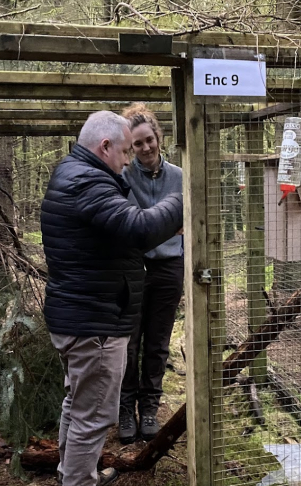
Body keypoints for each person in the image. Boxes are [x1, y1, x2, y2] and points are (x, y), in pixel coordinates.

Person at [40, 111, 183, 486]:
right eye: (123, 151)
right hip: (95, 323)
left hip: (85, 315)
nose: (127, 161)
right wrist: (186, 194)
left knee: (75, 406)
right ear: (105, 147)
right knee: (91, 419)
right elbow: (138, 229)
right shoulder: (88, 181)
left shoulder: (77, 173)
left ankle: (74, 482)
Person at [118, 103, 184, 444]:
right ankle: (125, 411)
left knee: (158, 344)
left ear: (159, 137)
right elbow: (127, 224)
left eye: (148, 140)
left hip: (170, 267)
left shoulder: (179, 177)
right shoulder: (124, 176)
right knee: (129, 343)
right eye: (137, 144)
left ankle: (149, 410)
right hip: (133, 269)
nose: (144, 148)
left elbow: (187, 222)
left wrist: (162, 229)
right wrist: (161, 228)